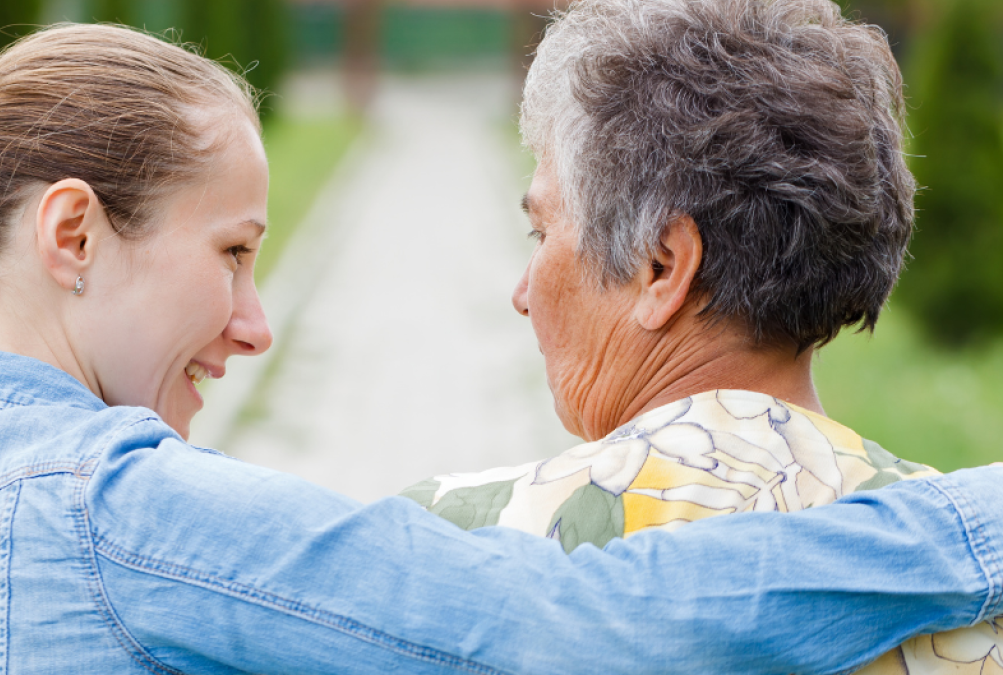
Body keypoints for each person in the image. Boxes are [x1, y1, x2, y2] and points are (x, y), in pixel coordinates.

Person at [0, 21, 999, 675]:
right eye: (231, 253)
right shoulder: (118, 518)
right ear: (72, 232)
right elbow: (575, 626)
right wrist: (973, 522)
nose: (257, 321)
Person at [401, 0, 1003, 672]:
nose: (522, 292)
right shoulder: (973, 584)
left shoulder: (449, 551)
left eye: (542, 233)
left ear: (662, 264)